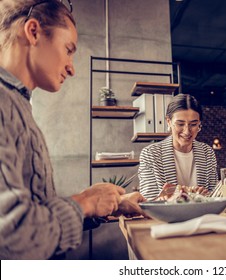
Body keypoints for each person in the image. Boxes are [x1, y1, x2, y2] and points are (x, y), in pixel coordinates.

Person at [0, 0, 146, 260]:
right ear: (33, 32)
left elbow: (34, 214)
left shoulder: (18, 105)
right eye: (68, 50)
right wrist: (86, 202)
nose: (72, 67)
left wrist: (95, 205)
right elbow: (13, 237)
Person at [138, 94, 218, 200]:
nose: (187, 131)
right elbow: (147, 202)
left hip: (202, 215)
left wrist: (205, 196)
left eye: (193, 124)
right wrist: (164, 199)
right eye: (180, 124)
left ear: (199, 124)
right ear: (169, 122)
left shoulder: (207, 152)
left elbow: (215, 196)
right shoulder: (151, 154)